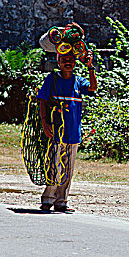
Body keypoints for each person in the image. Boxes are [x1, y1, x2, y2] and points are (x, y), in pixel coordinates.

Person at [37, 26, 98, 212]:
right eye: (64, 60)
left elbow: (93, 88)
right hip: (56, 131)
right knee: (55, 164)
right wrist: (45, 122)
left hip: (73, 132)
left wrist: (90, 67)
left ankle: (62, 201)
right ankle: (48, 198)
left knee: (68, 168)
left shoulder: (79, 82)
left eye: (71, 60)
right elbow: (42, 102)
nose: (68, 63)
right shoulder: (52, 79)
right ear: (59, 62)